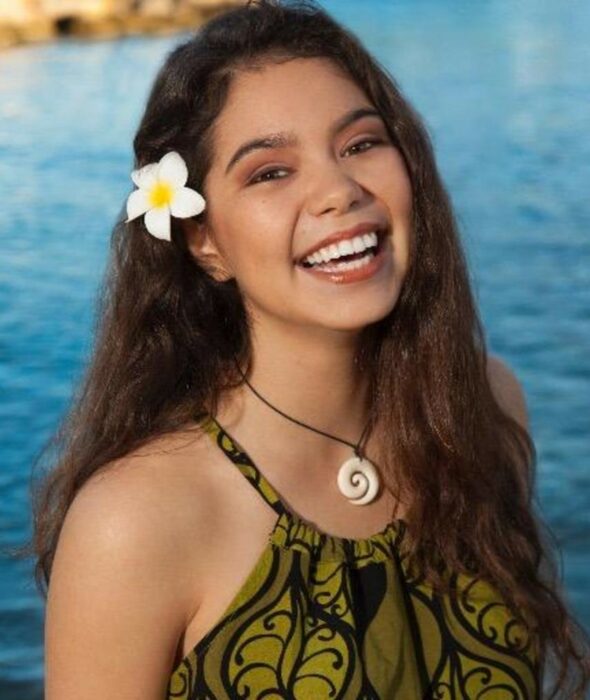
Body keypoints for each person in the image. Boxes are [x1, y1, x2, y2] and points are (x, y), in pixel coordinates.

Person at [28, 1, 589, 698]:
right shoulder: (135, 523)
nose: (338, 191)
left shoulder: (483, 406)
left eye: (360, 145)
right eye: (270, 172)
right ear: (204, 242)